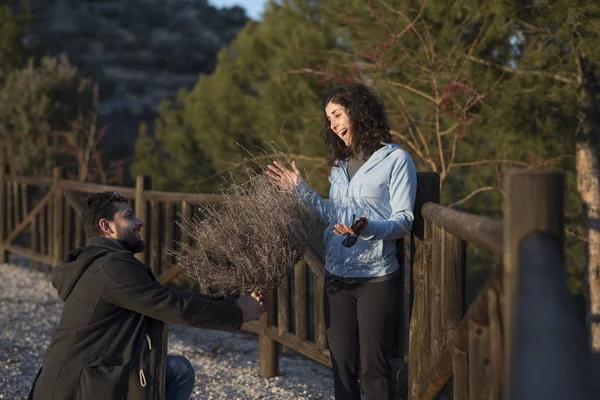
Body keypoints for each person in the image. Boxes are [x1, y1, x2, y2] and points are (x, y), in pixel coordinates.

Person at [28, 191, 266, 400]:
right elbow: (173, 305)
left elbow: (165, 296)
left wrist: (233, 303)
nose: (139, 221)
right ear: (106, 226)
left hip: (82, 380)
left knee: (177, 369)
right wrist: (238, 312)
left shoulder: (98, 261)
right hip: (78, 389)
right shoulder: (111, 267)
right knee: (178, 371)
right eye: (129, 216)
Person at [267, 83, 417, 400]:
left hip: (377, 277)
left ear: (358, 112)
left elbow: (404, 220)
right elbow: (333, 214)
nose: (334, 125)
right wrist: (299, 189)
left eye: (337, 114)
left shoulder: (396, 160)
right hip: (337, 275)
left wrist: (367, 227)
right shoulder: (340, 165)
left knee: (373, 370)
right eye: (330, 119)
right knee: (341, 367)